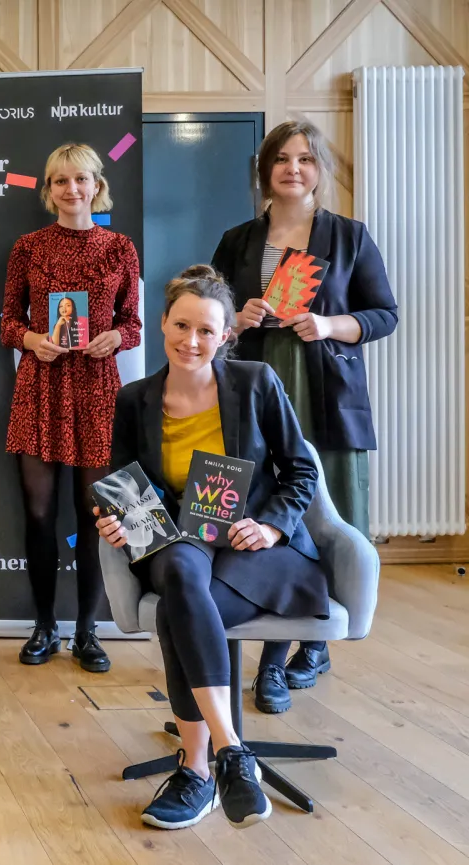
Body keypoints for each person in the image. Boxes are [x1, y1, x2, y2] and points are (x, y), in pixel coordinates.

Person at [97, 264, 327, 830]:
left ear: (225, 335)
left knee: (179, 607)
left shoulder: (256, 383)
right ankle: (232, 754)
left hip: (255, 549)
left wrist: (272, 525)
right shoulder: (134, 400)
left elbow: (300, 470)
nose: (191, 341)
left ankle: (197, 768)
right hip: (179, 538)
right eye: (182, 325)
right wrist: (112, 518)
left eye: (206, 330)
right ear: (162, 323)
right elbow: (118, 481)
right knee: (177, 566)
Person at [211, 120, 397, 713]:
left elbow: (384, 315)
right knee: (262, 520)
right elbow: (205, 316)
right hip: (254, 399)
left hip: (325, 396)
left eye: (306, 159)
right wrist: (237, 318)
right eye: (282, 159)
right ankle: (266, 647)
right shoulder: (237, 240)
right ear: (264, 170)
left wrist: (329, 325)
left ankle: (305, 646)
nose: (294, 169)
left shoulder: (349, 237)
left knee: (322, 525)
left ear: (320, 170)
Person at [1, 143, 141, 670]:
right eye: (60, 180)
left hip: (97, 390)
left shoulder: (119, 247)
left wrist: (116, 339)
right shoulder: (28, 247)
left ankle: (88, 630)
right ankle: (44, 627)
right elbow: (7, 321)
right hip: (39, 388)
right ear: (48, 190)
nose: (71, 189)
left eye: (80, 179)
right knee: (38, 516)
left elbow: (134, 321)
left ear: (96, 185)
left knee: (96, 515)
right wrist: (32, 339)